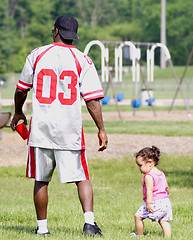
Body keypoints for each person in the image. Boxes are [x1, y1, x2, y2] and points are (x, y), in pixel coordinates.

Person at [10, 15, 108, 237]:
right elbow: (92, 100)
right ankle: (89, 224)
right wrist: (101, 129)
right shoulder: (83, 60)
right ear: (74, 35)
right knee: (81, 176)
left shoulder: (37, 54)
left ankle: (42, 229)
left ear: (55, 31)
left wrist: (18, 112)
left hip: (41, 127)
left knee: (41, 180)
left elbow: (21, 89)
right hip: (69, 128)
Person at [132, 146, 172, 238]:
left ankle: (139, 236)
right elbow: (166, 188)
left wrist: (149, 203)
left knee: (138, 217)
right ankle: (168, 237)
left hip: (154, 202)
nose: (139, 169)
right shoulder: (161, 173)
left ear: (149, 162)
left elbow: (149, 191)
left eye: (140, 165)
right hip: (166, 202)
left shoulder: (148, 176)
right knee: (164, 221)